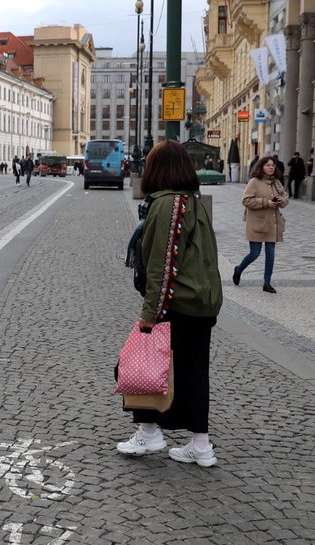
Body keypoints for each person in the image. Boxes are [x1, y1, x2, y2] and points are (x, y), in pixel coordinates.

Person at [117, 139, 223, 467]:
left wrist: (150, 313)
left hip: (179, 301)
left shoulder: (168, 204)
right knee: (193, 372)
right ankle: (200, 446)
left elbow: (164, 263)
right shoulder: (193, 202)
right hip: (201, 301)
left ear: (158, 169)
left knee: (145, 362)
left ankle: (149, 433)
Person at [233, 155, 287, 294]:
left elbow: (285, 198)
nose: (271, 168)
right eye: (268, 165)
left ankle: (267, 283)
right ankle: (238, 269)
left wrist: (281, 200)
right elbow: (246, 200)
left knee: (271, 254)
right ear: (261, 167)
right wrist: (265, 202)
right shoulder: (254, 182)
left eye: (273, 165)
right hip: (257, 224)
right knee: (254, 253)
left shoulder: (276, 182)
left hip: (272, 223)